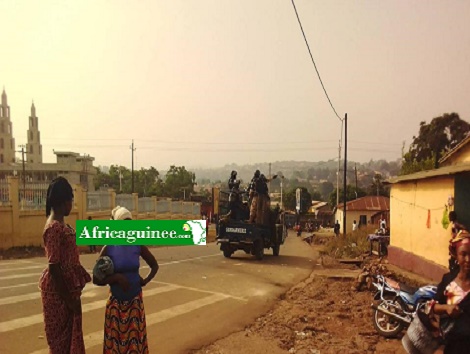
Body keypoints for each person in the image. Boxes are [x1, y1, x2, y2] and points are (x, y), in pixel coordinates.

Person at [93, 206, 159, 354]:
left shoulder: (137, 244)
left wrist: (145, 280)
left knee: (135, 346)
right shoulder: (109, 247)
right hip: (116, 306)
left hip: (135, 303)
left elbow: (154, 265)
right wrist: (116, 277)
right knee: (115, 347)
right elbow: (96, 278)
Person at [38, 176, 91, 353]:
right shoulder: (54, 228)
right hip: (60, 295)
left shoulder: (61, 224)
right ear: (63, 201)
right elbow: (54, 266)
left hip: (67, 292)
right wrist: (69, 300)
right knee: (62, 343)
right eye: (71, 200)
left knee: (71, 340)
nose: (72, 205)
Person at [426, 231, 470, 353]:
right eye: (463, 254)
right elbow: (431, 306)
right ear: (456, 255)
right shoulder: (448, 281)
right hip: (451, 346)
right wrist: (446, 307)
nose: (468, 259)